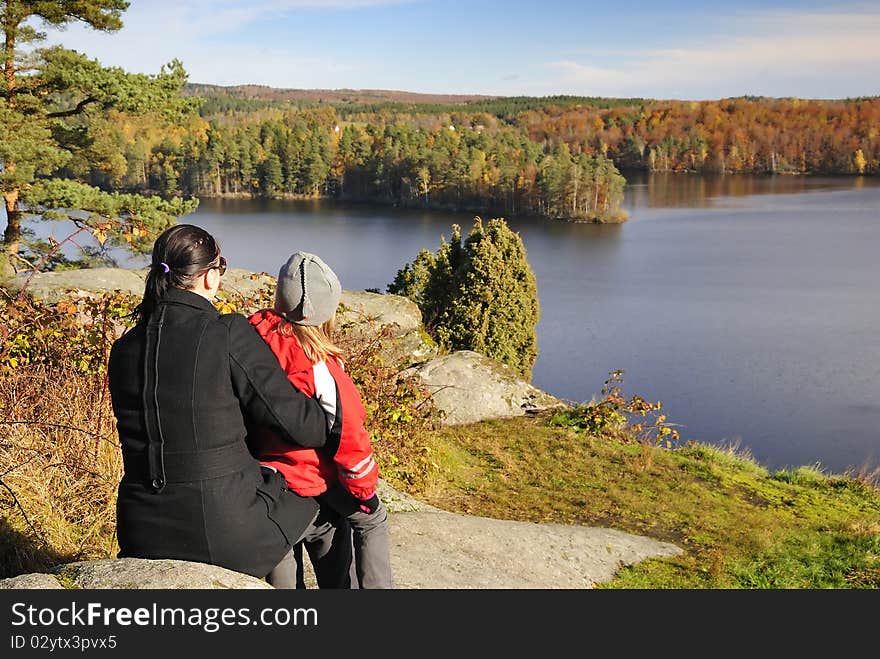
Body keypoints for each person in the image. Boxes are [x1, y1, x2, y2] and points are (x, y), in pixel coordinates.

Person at [107, 224, 351, 582]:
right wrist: (326, 387)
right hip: (222, 531)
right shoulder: (227, 333)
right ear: (208, 277)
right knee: (329, 516)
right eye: (221, 267)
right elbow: (306, 427)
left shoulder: (123, 349)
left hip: (141, 530)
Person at [248, 251, 394, 589]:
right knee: (372, 520)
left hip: (264, 484)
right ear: (326, 313)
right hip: (313, 482)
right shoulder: (321, 367)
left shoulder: (250, 339)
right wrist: (364, 492)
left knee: (281, 563)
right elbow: (350, 439)